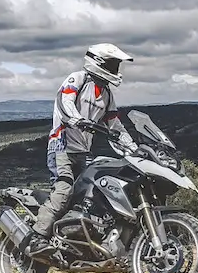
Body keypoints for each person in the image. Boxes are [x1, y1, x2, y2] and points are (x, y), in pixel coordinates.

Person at [29, 43, 139, 258]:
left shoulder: (106, 94)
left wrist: (133, 148)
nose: (116, 69)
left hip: (82, 152)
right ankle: (36, 237)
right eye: (112, 64)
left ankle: (70, 240)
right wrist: (76, 119)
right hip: (61, 145)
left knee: (87, 196)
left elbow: (114, 125)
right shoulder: (78, 79)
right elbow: (64, 102)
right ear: (98, 62)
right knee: (64, 190)